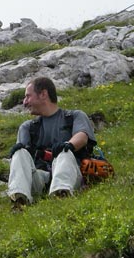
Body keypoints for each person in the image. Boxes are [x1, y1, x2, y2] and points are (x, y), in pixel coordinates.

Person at [7, 76, 96, 205]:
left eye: (28, 96)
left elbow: (82, 137)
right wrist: (19, 150)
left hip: (71, 175)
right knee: (19, 153)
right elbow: (23, 157)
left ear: (43, 94)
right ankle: (19, 199)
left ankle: (61, 194)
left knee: (64, 151)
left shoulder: (75, 116)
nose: (24, 102)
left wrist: (68, 145)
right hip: (40, 178)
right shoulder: (27, 127)